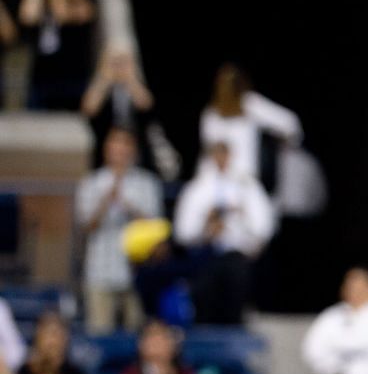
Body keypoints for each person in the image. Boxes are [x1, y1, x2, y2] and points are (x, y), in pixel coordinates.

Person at [172, 139, 277, 324]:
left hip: (238, 255)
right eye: (216, 154)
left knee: (237, 279)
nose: (221, 159)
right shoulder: (197, 188)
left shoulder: (248, 186)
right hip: (204, 255)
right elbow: (183, 232)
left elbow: (263, 227)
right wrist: (206, 227)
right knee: (203, 292)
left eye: (225, 153)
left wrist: (240, 218)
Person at [74, 127, 162, 333]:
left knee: (136, 335)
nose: (120, 150)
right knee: (100, 334)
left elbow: (155, 227)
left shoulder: (146, 183)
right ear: (106, 149)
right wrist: (106, 201)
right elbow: (86, 226)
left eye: (125, 144)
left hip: (137, 272)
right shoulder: (92, 182)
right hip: (99, 271)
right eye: (115, 144)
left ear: (133, 149)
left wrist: (127, 205)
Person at [198, 65, 300, 188]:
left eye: (231, 84)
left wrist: (283, 147)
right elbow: (207, 149)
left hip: (244, 182)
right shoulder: (210, 115)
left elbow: (289, 124)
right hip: (213, 181)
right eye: (223, 84)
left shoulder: (250, 104)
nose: (226, 89)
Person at [18, 0, 96, 112]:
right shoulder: (43, 4)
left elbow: (63, 15)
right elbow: (26, 17)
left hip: (72, 76)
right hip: (42, 76)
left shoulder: (82, 0)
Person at [79, 47, 164, 174]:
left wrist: (130, 78)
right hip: (105, 152)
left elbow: (147, 105)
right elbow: (89, 108)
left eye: (123, 61)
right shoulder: (102, 88)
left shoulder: (137, 86)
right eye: (115, 62)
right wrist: (104, 77)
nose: (119, 66)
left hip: (137, 151)